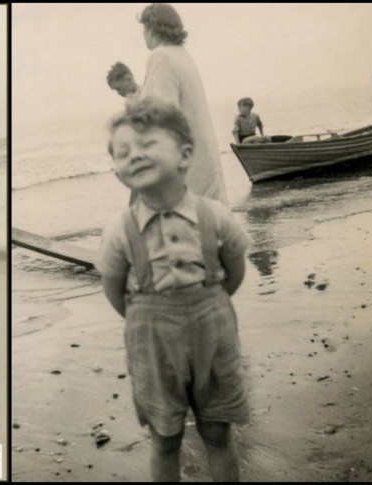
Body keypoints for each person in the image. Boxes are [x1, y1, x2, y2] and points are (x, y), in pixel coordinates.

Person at [98, 98, 250, 482]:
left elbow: (234, 268)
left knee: (218, 430)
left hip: (213, 333)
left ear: (185, 156)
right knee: (165, 437)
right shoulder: (119, 231)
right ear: (117, 172)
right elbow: (113, 287)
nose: (135, 155)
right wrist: (147, 316)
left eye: (147, 145)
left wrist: (209, 305)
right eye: (123, 151)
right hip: (151, 342)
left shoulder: (214, 216)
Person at [136, 3, 228, 205]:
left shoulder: (160, 57)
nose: (143, 35)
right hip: (203, 162)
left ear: (152, 28)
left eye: (144, 29)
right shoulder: (182, 55)